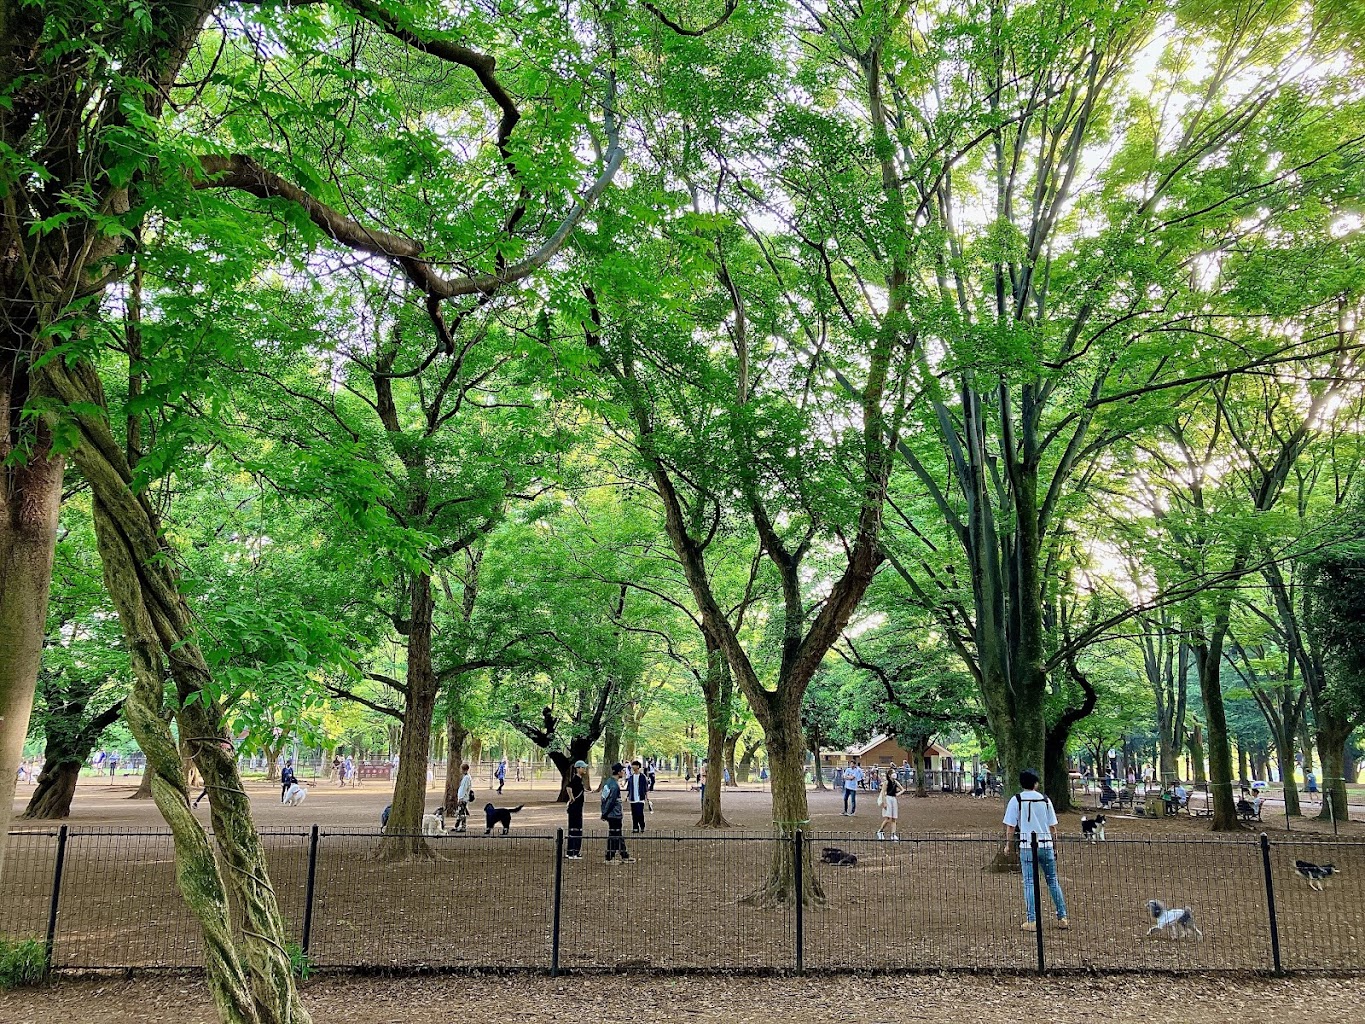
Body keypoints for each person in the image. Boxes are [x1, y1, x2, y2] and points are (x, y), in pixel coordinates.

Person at [1003, 769, 1068, 932]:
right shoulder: (1045, 800)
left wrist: (1008, 845)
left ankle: (1032, 920)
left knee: (1030, 883)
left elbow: (1010, 826)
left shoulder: (1016, 800)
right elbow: (1053, 827)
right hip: (1045, 844)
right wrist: (1055, 846)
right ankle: (1062, 917)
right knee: (1052, 880)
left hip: (1026, 845)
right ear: (1036, 783)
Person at [601, 762, 631, 863]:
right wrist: (605, 813)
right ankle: (610, 856)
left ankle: (623, 854)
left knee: (616, 833)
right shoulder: (614, 786)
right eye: (622, 771)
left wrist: (604, 811)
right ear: (618, 772)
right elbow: (611, 801)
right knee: (615, 834)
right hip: (614, 814)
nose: (623, 772)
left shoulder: (608, 782)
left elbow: (604, 798)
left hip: (612, 813)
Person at [566, 760, 587, 858]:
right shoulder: (575, 779)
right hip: (575, 809)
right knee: (575, 829)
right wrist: (571, 798)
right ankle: (572, 851)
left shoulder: (579, 779)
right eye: (583, 767)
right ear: (578, 768)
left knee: (577, 829)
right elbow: (568, 788)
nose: (584, 769)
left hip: (578, 808)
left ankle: (574, 851)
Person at [877, 768, 901, 841]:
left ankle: (893, 834)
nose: (894, 774)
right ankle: (880, 831)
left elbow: (902, 789)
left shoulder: (896, 782)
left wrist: (897, 794)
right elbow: (883, 793)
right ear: (889, 775)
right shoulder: (886, 783)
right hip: (888, 799)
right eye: (893, 773)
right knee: (887, 818)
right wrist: (884, 803)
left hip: (893, 799)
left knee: (894, 818)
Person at [627, 759, 649, 833]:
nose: (633, 767)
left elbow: (645, 788)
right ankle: (635, 828)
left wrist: (647, 797)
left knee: (640, 813)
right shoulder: (631, 777)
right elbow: (629, 788)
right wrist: (627, 796)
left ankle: (642, 825)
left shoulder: (642, 777)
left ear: (638, 766)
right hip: (633, 798)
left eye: (635, 765)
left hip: (640, 798)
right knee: (634, 814)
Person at [454, 762, 474, 831]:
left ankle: (463, 827)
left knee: (462, 812)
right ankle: (456, 826)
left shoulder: (466, 778)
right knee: (460, 812)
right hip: (463, 797)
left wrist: (461, 798)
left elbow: (464, 788)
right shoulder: (466, 777)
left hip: (463, 798)